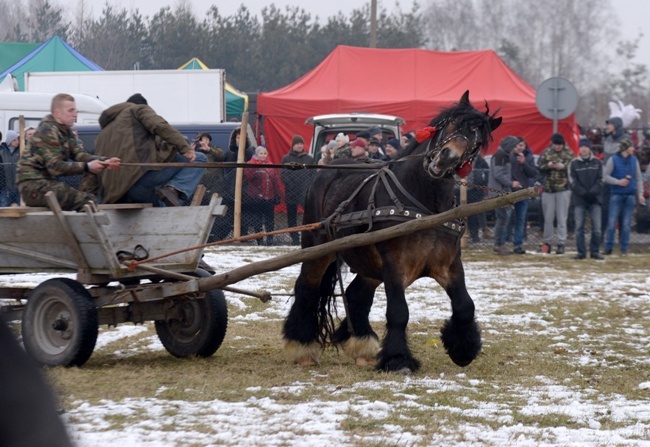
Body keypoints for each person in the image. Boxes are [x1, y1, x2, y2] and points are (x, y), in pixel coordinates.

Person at [80, 93, 205, 207]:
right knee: (200, 159)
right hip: (139, 181)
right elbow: (160, 125)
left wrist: (89, 198)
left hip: (116, 195)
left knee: (162, 207)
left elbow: (94, 169)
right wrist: (184, 147)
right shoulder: (136, 110)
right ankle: (173, 190)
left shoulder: (103, 135)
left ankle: (167, 206)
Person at [18, 93, 120, 211]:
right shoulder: (48, 130)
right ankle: (82, 228)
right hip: (34, 187)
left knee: (87, 198)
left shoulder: (65, 131)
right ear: (57, 113)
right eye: (70, 111)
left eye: (75, 110)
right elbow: (55, 167)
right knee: (86, 201)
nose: (75, 114)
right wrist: (87, 166)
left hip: (45, 185)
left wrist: (104, 161)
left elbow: (79, 154)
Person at [602, 139, 646, 255]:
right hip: (616, 195)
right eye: (631, 147)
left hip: (630, 196)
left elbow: (638, 178)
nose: (633, 149)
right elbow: (605, 176)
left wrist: (640, 194)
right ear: (625, 148)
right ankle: (608, 247)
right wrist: (617, 182)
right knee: (611, 223)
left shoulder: (634, 160)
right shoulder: (613, 160)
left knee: (626, 224)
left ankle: (624, 248)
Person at [537, 133, 574, 254]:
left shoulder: (569, 153)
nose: (557, 147)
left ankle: (561, 243)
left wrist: (564, 166)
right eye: (555, 145)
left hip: (563, 189)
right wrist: (548, 165)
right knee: (548, 218)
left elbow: (573, 166)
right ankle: (547, 243)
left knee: (562, 218)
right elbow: (539, 166)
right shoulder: (546, 153)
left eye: (559, 145)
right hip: (548, 189)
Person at [568, 139, 604, 260]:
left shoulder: (598, 162)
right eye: (581, 147)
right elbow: (572, 181)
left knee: (597, 228)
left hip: (595, 199)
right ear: (579, 149)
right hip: (580, 200)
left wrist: (592, 192)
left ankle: (594, 251)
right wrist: (583, 193)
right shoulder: (573, 164)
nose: (584, 149)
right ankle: (581, 252)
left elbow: (601, 180)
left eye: (586, 147)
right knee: (579, 228)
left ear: (590, 148)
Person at [244, 146, 282, 245]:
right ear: (256, 154)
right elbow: (248, 176)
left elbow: (275, 181)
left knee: (270, 219)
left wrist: (278, 194)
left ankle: (270, 238)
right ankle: (259, 239)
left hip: (269, 196)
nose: (263, 155)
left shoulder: (270, 165)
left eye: (265, 153)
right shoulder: (250, 164)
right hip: (256, 197)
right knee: (258, 219)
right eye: (261, 153)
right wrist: (255, 166)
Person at [488, 135, 519, 254]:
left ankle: (500, 244)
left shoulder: (503, 155)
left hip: (502, 191)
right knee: (502, 218)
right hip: (499, 192)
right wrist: (511, 183)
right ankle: (498, 245)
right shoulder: (500, 156)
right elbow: (498, 174)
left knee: (503, 218)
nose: (514, 148)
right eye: (514, 145)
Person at [281, 135, 315, 245]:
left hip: (305, 191)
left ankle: (309, 235)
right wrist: (291, 184)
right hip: (291, 191)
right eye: (297, 144)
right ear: (293, 145)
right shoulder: (286, 158)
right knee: (292, 217)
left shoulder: (309, 159)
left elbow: (312, 174)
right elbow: (283, 174)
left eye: (301, 143)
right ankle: (294, 238)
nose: (300, 146)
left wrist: (308, 185)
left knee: (309, 214)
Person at [509, 136, 538, 254]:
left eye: (521, 145)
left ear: (525, 146)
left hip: (524, 191)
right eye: (517, 145)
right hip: (510, 191)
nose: (519, 148)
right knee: (507, 218)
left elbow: (532, 173)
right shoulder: (509, 157)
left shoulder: (529, 157)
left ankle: (518, 244)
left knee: (521, 219)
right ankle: (503, 242)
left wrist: (524, 162)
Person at [467, 153, 489, 243]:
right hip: (462, 190)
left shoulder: (480, 160)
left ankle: (475, 236)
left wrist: (483, 184)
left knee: (475, 214)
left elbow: (487, 172)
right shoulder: (461, 158)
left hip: (476, 190)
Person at [0, 130, 21, 206]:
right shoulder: (1, 151)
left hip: (18, 188)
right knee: (3, 207)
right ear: (9, 140)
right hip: (5, 188)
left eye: (17, 139)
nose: (17, 142)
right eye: (14, 140)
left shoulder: (21, 151)